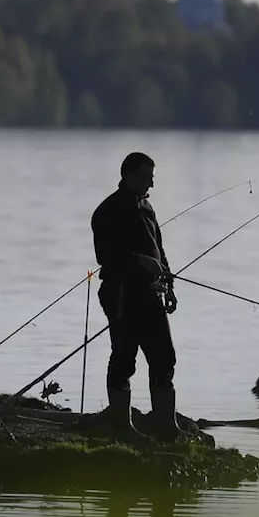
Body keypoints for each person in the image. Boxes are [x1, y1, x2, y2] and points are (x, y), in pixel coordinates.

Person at [90, 152, 182, 438]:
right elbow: (105, 256)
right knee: (123, 358)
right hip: (121, 294)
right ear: (128, 174)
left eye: (152, 177)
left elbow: (159, 249)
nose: (151, 184)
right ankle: (122, 426)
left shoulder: (147, 207)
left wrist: (168, 282)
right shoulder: (108, 210)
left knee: (164, 357)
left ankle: (166, 425)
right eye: (146, 177)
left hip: (151, 295)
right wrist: (139, 261)